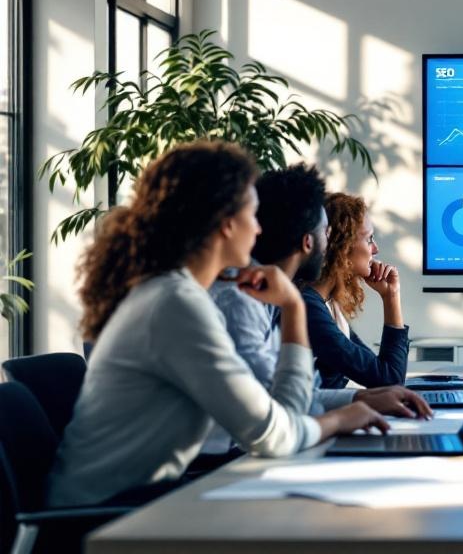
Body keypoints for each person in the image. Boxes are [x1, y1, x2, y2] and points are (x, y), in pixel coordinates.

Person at [47, 142, 389, 508]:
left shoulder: (177, 294)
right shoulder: (176, 305)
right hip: (109, 517)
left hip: (142, 502)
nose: (259, 230)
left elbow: (273, 411)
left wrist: (293, 309)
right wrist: (340, 419)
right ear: (227, 224)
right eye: (253, 215)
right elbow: (274, 433)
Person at [204, 165, 431, 456]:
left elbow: (290, 400)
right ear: (309, 242)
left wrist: (361, 398)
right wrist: (344, 414)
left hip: (248, 451)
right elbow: (278, 413)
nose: (330, 244)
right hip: (221, 462)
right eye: (327, 233)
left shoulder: (273, 296)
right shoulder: (247, 300)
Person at [304, 192, 410, 388]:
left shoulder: (327, 304)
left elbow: (385, 375)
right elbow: (388, 379)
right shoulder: (308, 308)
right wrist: (391, 298)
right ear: (341, 246)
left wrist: (390, 294)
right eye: (369, 239)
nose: (375, 249)